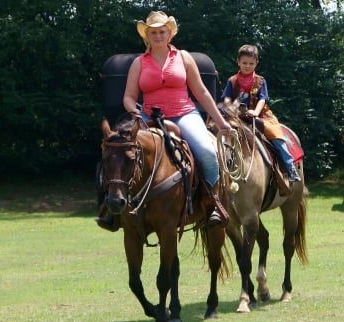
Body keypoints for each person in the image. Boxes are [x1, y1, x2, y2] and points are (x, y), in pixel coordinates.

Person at [96, 11, 231, 230]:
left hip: (184, 113)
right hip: (150, 117)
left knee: (207, 151)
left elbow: (203, 93)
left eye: (162, 31)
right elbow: (129, 98)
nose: (158, 36)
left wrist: (221, 122)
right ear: (146, 36)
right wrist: (136, 113)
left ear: (169, 34)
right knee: (118, 150)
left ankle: (211, 202)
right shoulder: (139, 63)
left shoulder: (184, 57)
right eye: (153, 32)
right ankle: (112, 210)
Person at [221, 44, 301, 182]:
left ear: (256, 63)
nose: (247, 66)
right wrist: (229, 108)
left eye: (251, 63)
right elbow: (227, 98)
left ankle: (290, 167)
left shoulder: (260, 81)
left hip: (260, 115)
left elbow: (262, 99)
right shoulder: (232, 80)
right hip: (237, 115)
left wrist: (255, 112)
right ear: (238, 61)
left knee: (275, 135)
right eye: (244, 63)